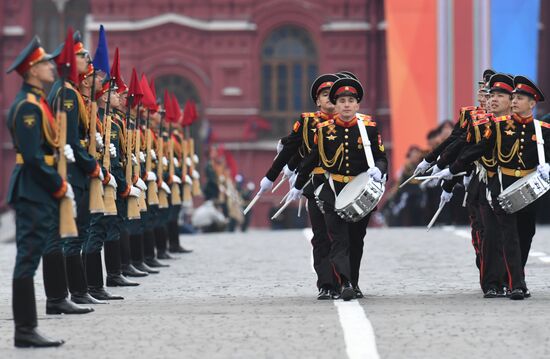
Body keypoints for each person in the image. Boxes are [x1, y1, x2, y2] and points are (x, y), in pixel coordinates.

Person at [436, 74, 548, 300]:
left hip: (529, 190)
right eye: (514, 97)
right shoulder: (497, 126)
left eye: (519, 98)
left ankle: (515, 279)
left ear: (532, 103)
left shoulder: (542, 129)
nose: (515, 101)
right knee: (504, 236)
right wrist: (452, 169)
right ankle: (510, 284)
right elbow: (477, 149)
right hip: (501, 187)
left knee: (525, 235)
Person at [290, 77, 388, 301]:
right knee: (338, 239)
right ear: (335, 104)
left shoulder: (369, 129)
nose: (346, 105)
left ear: (357, 105)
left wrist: (380, 170)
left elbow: (381, 157)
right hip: (332, 191)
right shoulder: (324, 130)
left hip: (359, 191)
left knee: (356, 239)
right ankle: (344, 282)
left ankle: (353, 280)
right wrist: (298, 184)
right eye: (342, 100)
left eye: (350, 100)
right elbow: (311, 158)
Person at [6, 36, 67, 347]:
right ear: (31, 71)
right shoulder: (28, 108)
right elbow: (31, 157)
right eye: (45, 63)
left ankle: (27, 328)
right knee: (27, 258)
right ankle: (25, 330)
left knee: (30, 256)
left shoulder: (37, 103)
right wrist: (57, 184)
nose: (51, 67)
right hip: (32, 188)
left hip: (36, 188)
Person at [257, 74, 340, 299]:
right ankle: (326, 284)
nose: (330, 99)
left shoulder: (351, 122)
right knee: (321, 235)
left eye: (334, 95)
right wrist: (270, 177)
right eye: (325, 95)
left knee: (343, 237)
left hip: (345, 186)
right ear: (317, 101)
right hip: (316, 183)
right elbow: (289, 150)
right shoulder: (307, 122)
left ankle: (345, 281)